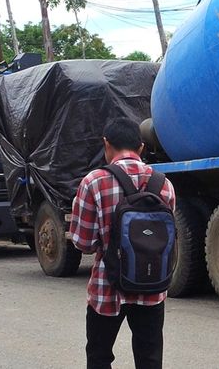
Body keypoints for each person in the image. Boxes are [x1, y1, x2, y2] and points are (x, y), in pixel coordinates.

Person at [70, 117, 176, 369]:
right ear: (141, 147)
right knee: (149, 359)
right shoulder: (164, 184)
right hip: (151, 286)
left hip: (107, 287)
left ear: (106, 144)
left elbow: (83, 243)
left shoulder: (93, 182)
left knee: (99, 356)